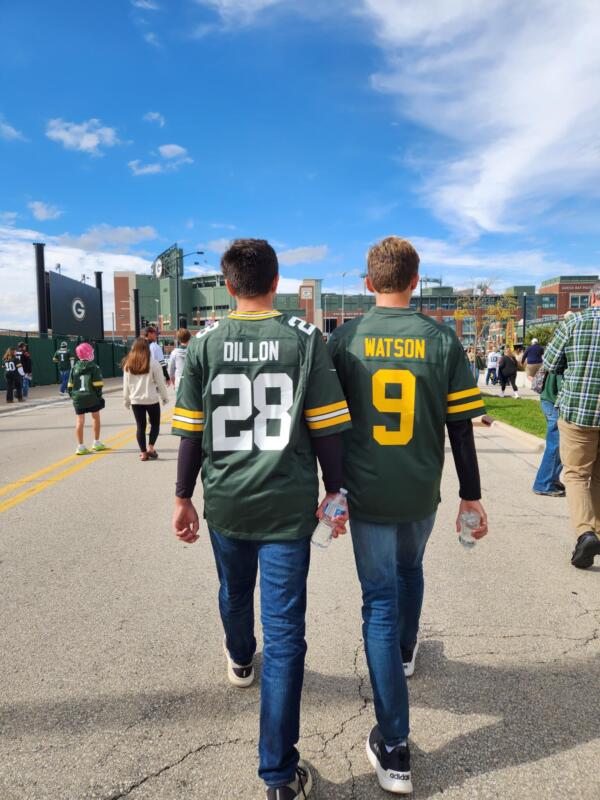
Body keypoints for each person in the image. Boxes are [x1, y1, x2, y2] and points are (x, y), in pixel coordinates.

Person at [171, 239, 351, 800]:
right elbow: (326, 426)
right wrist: (336, 489)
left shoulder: (203, 344)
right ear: (277, 281)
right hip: (286, 506)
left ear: (228, 286)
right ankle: (277, 775)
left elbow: (189, 430)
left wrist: (182, 496)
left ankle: (239, 655)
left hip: (225, 502)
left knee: (232, 592)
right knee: (287, 633)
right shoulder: (304, 340)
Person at [328, 236, 488, 796]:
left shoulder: (344, 339)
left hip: (367, 493)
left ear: (368, 283)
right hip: (421, 489)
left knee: (377, 599)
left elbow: (326, 425)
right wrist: (471, 493)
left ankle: (394, 744)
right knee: (410, 571)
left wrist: (329, 489)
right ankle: (404, 650)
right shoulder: (442, 340)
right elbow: (462, 426)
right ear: (415, 282)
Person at [544, 284, 600, 569]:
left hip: (579, 411)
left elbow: (550, 362)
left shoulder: (575, 322)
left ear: (591, 297)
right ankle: (597, 533)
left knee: (576, 475)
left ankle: (585, 533)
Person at [123, 337, 169, 461]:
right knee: (155, 424)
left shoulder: (128, 364)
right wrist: (164, 398)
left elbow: (126, 385)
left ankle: (143, 453)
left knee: (140, 426)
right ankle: (150, 447)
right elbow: (160, 383)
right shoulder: (153, 363)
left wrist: (126, 400)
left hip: (136, 401)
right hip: (151, 399)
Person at [67, 343, 106, 455]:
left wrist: (74, 396)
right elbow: (98, 384)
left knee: (80, 420)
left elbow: (70, 386)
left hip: (78, 397)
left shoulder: (74, 368)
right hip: (92, 396)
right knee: (95, 417)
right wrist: (98, 396)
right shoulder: (94, 367)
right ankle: (96, 442)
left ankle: (80, 446)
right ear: (88, 353)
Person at [532, 370, 565, 497]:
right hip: (554, 403)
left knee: (560, 445)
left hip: (547, 401)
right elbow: (563, 390)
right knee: (555, 446)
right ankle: (543, 484)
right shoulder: (564, 363)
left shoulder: (556, 358)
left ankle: (551, 480)